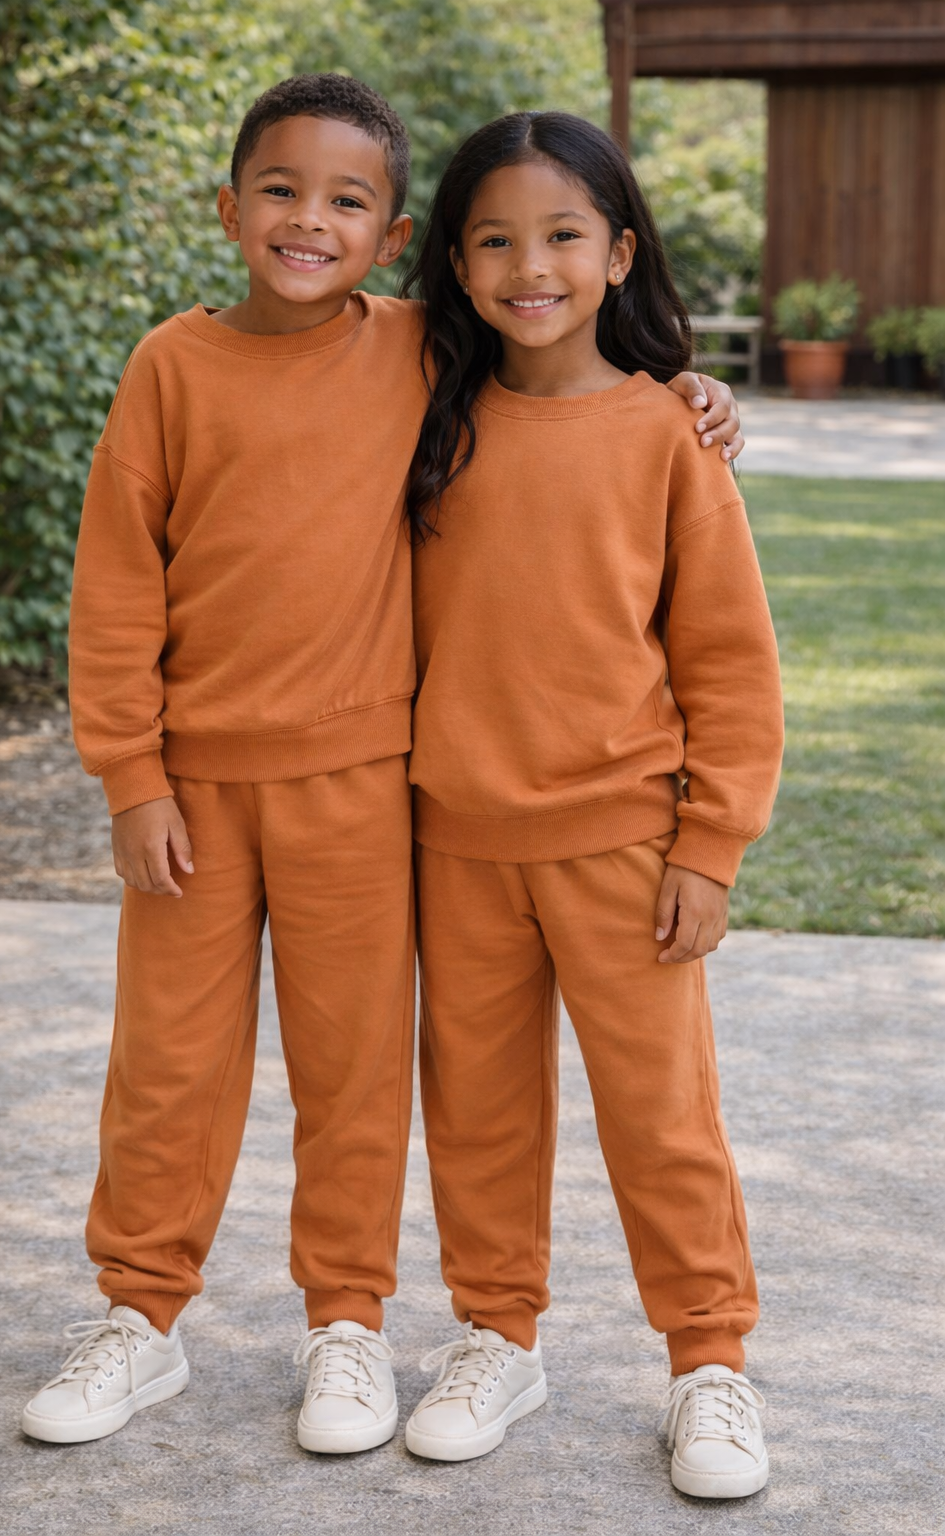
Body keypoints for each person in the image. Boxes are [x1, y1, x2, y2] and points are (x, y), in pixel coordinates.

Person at [19, 77, 746, 1454]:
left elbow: (563, 369)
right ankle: (139, 1318)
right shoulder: (171, 366)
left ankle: (346, 1326)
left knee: (353, 1072)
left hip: (367, 786)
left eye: (348, 202)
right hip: (194, 792)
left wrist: (692, 397)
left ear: (391, 231)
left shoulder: (426, 350)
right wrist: (130, 774)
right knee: (169, 1063)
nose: (309, 222)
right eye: (280, 192)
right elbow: (116, 590)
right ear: (227, 207)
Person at [400, 111, 783, 1499]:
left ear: (619, 254)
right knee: (481, 1112)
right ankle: (498, 1336)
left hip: (624, 843)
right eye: (494, 238)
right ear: (453, 257)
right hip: (458, 840)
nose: (530, 263)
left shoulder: (666, 433)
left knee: (660, 1116)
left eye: (563, 234)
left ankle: (708, 1363)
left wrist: (714, 842)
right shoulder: (423, 411)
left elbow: (730, 661)